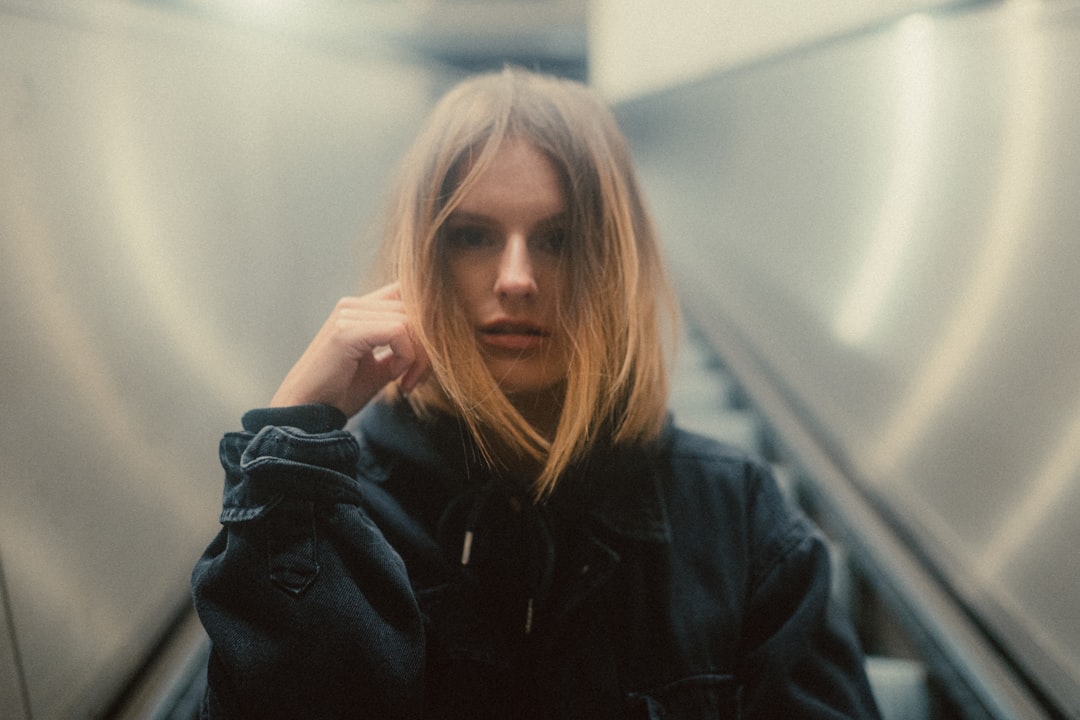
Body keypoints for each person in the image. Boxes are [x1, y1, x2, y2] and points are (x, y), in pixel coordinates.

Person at [191, 67, 881, 719]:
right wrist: (288, 461)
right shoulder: (342, 512)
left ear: (612, 263)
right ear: (427, 257)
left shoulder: (737, 518)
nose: (516, 278)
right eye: (472, 236)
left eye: (558, 238)